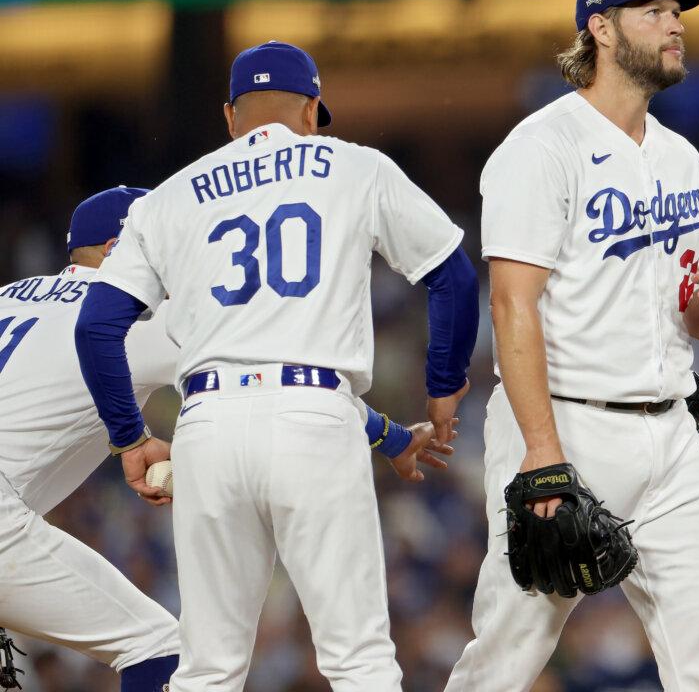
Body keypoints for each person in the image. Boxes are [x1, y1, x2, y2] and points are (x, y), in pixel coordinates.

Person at [74, 41, 479, 691]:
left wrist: (129, 436)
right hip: (315, 417)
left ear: (230, 117)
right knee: (358, 661)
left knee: (207, 669)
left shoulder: (168, 199)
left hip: (206, 426)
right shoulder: (355, 167)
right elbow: (454, 280)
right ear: (314, 110)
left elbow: (97, 326)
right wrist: (443, 389)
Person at [445, 0, 699, 692]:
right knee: (507, 658)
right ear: (602, 29)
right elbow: (511, 304)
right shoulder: (541, 147)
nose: (675, 25)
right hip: (569, 427)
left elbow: (692, 318)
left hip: (671, 433)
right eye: (655, 12)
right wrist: (543, 454)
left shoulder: (681, 157)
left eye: (677, 13)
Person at [0, 187, 180, 692]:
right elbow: (267, 371)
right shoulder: (134, 315)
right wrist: (380, 434)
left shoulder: (11, 293)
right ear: (114, 248)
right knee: (161, 648)